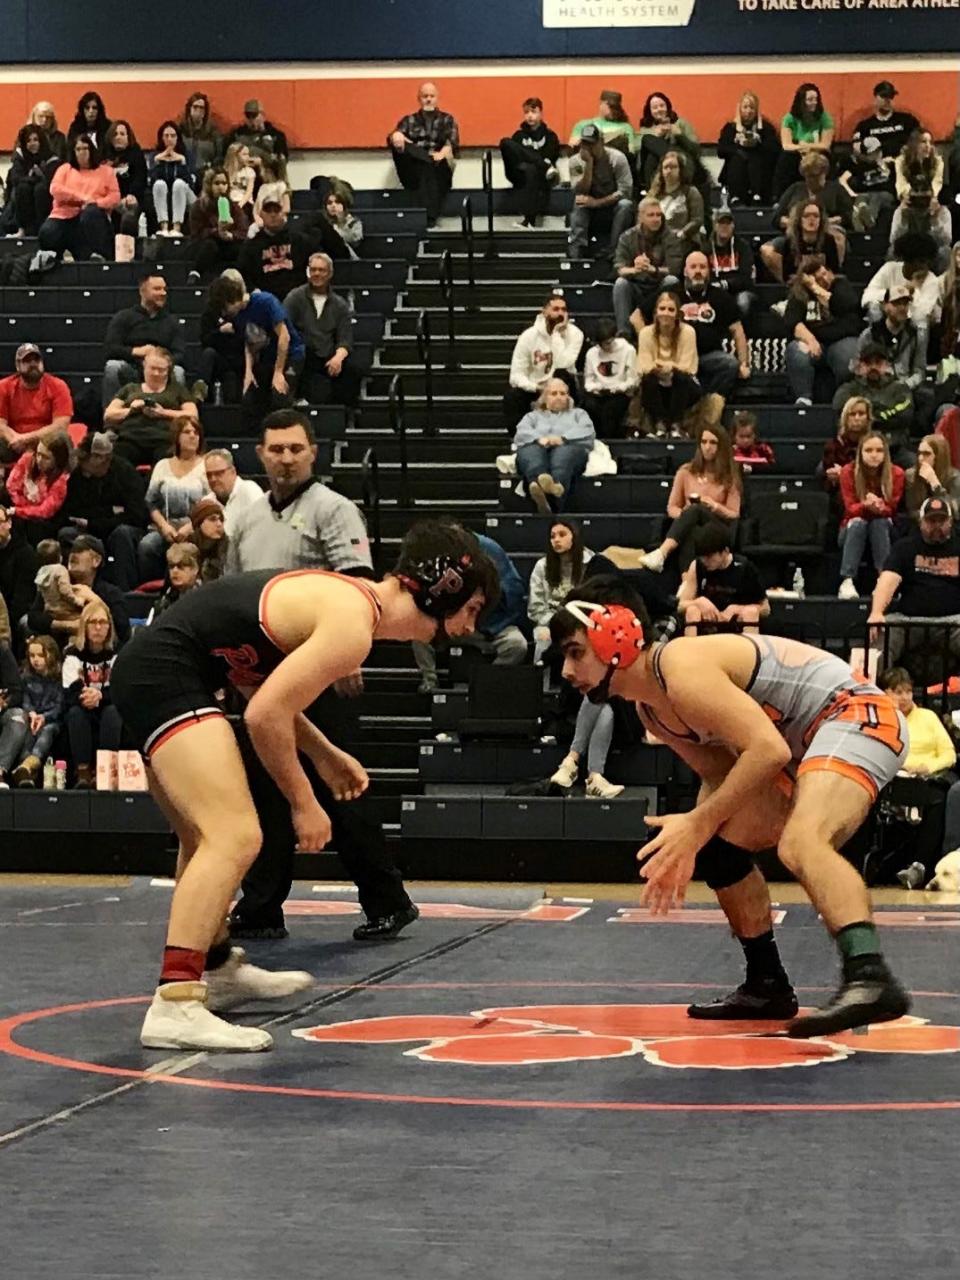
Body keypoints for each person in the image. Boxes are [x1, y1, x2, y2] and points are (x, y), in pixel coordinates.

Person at [109, 520, 497, 1051]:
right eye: (472, 609)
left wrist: (326, 754)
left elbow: (265, 691)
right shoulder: (352, 624)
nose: (469, 628)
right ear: (442, 590)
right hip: (167, 673)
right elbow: (265, 715)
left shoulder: (351, 603)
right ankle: (175, 1003)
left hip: (167, 670)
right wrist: (304, 802)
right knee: (235, 835)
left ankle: (211, 965)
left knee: (205, 839)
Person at [550, 578, 910, 1036]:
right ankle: (767, 983)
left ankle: (870, 975)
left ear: (616, 636)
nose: (565, 670)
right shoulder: (652, 710)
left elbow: (767, 752)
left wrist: (696, 823)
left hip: (852, 715)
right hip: (805, 742)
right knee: (719, 849)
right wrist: (691, 841)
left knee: (802, 842)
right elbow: (724, 776)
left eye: (575, 651)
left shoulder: (680, 666)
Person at [225, 410, 420, 940]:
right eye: (276, 449)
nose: (285, 458)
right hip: (263, 674)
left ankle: (386, 898)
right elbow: (232, 594)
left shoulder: (334, 510)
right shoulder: (244, 517)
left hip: (319, 669)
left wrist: (348, 658)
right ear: (260, 455)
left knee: (340, 786)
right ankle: (262, 906)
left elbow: (357, 585)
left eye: (295, 448)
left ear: (313, 452)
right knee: (264, 789)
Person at [878, 666, 956, 889]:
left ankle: (919, 867)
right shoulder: (883, 720)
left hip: (927, 778)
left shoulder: (928, 717)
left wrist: (928, 766)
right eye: (897, 692)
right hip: (894, 778)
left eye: (908, 692)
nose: (904, 698)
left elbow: (949, 753)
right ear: (885, 694)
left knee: (938, 798)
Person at [869, 495, 960, 666]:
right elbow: (888, 579)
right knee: (874, 648)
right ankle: (863, 689)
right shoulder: (905, 547)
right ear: (921, 522)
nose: (937, 526)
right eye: (931, 521)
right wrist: (876, 612)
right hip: (908, 620)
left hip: (954, 621)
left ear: (950, 522)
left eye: (942, 520)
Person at [640, 424, 742, 574]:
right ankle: (686, 581)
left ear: (722, 447)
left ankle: (662, 553)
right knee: (691, 528)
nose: (707, 447)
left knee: (696, 509)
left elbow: (734, 513)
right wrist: (686, 517)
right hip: (692, 526)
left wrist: (715, 506)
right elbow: (672, 508)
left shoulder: (729, 475)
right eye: (703, 442)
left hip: (718, 528)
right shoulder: (685, 472)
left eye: (713, 443)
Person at [207, 273, 305, 428]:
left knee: (279, 395)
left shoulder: (265, 301)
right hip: (266, 358)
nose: (225, 314)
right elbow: (249, 341)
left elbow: (284, 337)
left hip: (290, 355)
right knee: (249, 399)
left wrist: (279, 372)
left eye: (225, 308)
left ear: (232, 299)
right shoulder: (237, 316)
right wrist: (248, 372)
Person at [59, 431, 148, 593]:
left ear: (101, 460)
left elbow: (136, 515)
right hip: (92, 529)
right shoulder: (79, 475)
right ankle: (70, 589)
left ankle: (125, 592)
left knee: (122, 534)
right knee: (66, 534)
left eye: (88, 464)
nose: (84, 470)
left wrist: (95, 521)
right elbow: (72, 512)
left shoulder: (125, 473)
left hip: (121, 528)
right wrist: (110, 511)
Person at [283, 254, 361, 407]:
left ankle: (339, 416)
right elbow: (283, 328)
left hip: (328, 355)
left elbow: (345, 339)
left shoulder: (340, 305)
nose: (317, 274)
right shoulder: (295, 297)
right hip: (302, 355)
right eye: (313, 270)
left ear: (330, 274)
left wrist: (338, 358)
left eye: (321, 270)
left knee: (352, 374)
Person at [782, 255, 862, 406]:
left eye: (825, 274)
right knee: (797, 351)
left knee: (848, 357)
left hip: (841, 339)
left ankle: (846, 400)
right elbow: (793, 322)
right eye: (818, 278)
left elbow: (849, 307)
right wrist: (810, 340)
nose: (825, 279)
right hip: (815, 341)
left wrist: (817, 288)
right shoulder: (800, 294)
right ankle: (803, 399)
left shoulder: (840, 285)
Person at [103, 346, 199, 468]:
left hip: (164, 440)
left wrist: (162, 412)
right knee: (118, 460)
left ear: (168, 370)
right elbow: (109, 414)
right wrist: (131, 410)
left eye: (161, 370)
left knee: (165, 463)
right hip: (131, 439)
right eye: (152, 368)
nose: (156, 373)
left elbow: (193, 415)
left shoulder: (177, 390)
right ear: (144, 366)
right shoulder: (130, 389)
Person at [675, 251, 751, 407]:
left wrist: (744, 364)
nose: (698, 271)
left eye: (702, 267)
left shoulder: (720, 296)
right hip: (677, 355)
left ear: (708, 272)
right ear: (685, 271)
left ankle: (709, 404)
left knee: (731, 364)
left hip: (708, 357)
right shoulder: (672, 293)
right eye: (693, 267)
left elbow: (738, 331)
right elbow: (637, 316)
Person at [139, 417, 209, 583]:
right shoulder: (163, 465)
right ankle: (151, 587)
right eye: (187, 432)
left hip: (195, 527)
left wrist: (189, 528)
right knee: (147, 546)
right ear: (176, 437)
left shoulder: (206, 465)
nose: (193, 436)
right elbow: (151, 502)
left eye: (196, 432)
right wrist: (164, 526)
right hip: (165, 527)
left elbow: (211, 503)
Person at [62, 598, 122, 788]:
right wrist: (90, 697)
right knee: (75, 713)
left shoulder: (117, 655)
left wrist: (100, 697)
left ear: (109, 628)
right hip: (82, 709)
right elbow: (71, 692)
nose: (98, 627)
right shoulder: (72, 655)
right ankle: (83, 773)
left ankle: (105, 770)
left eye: (102, 622)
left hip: (106, 708)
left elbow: (120, 689)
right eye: (93, 622)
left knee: (113, 712)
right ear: (84, 626)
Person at [837, 432, 904, 600]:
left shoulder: (896, 473)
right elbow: (850, 509)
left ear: (885, 453)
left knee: (879, 522)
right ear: (860, 452)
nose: (874, 455)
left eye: (879, 450)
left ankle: (884, 580)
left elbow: (892, 508)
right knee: (859, 522)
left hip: (885, 529)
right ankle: (847, 581)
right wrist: (866, 505)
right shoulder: (847, 471)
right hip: (851, 529)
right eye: (869, 450)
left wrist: (879, 507)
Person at [513, 378, 595, 515]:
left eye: (563, 394)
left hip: (568, 447)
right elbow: (521, 433)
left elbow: (587, 431)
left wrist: (563, 438)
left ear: (569, 397)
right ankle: (540, 482)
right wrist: (539, 439)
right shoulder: (532, 416)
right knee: (530, 452)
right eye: (554, 393)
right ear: (545, 397)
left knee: (563, 455)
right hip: (538, 446)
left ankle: (551, 488)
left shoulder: (579, 414)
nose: (559, 397)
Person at [503, 292, 584, 430]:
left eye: (564, 310)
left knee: (562, 373)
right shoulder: (528, 336)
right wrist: (537, 387)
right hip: (536, 386)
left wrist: (557, 334)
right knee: (512, 396)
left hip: (563, 384)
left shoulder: (576, 334)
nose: (561, 314)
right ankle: (518, 438)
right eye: (556, 309)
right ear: (544, 312)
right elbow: (515, 376)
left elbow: (564, 363)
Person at [102, 274, 187, 404]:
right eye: (157, 289)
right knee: (112, 367)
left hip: (161, 369)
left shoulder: (172, 322)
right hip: (132, 367)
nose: (163, 293)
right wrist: (136, 351)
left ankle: (177, 419)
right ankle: (111, 417)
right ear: (142, 291)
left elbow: (180, 353)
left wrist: (160, 361)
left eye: (164, 289)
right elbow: (110, 348)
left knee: (178, 372)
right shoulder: (124, 317)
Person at [677, 519, 768, 636]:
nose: (705, 561)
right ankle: (691, 651)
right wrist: (699, 602)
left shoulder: (745, 568)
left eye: (709, 557)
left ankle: (749, 652)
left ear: (725, 551)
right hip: (708, 624)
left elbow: (765, 608)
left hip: (736, 624)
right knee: (692, 610)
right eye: (702, 557)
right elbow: (681, 605)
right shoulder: (697, 566)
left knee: (750, 612)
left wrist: (736, 609)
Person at [238, 196, 337, 303]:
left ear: (284, 213)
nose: (272, 214)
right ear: (261, 214)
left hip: (299, 301)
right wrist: (254, 292)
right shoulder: (251, 246)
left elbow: (318, 261)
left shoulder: (300, 240)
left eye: (276, 210)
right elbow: (243, 275)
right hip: (265, 303)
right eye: (268, 210)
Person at [37, 133, 119, 262]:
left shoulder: (106, 171)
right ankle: (53, 262)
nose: (82, 152)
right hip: (64, 216)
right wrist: (82, 198)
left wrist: (95, 202)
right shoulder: (65, 169)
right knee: (47, 232)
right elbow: (55, 189)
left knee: (90, 213)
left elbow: (114, 197)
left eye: (85, 148)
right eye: (78, 149)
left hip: (91, 217)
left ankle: (97, 256)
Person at [832, 343, 915, 469]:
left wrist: (869, 416)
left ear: (887, 365)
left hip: (894, 449)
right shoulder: (849, 388)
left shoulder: (900, 389)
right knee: (823, 469)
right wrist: (883, 413)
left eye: (878, 362)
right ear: (860, 366)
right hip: (857, 450)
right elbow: (839, 407)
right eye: (868, 363)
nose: (873, 367)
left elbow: (905, 415)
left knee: (915, 465)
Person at [387, 82, 459, 226]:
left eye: (431, 96)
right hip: (414, 167)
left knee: (429, 166)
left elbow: (452, 143)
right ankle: (430, 218)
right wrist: (396, 136)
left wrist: (442, 154)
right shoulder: (409, 120)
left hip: (439, 164)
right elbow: (398, 139)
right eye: (425, 96)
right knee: (397, 139)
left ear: (437, 98)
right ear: (419, 99)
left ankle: (427, 216)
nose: (428, 99)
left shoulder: (447, 119)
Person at [611, 198, 685, 333]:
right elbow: (619, 268)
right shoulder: (627, 237)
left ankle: (668, 329)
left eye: (658, 215)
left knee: (672, 281)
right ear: (641, 217)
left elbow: (675, 269)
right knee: (620, 284)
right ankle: (624, 333)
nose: (656, 219)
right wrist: (635, 269)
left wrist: (652, 269)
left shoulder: (671, 237)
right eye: (651, 215)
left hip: (658, 287)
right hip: (637, 286)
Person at [636, 290, 701, 439]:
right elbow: (644, 366)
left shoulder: (688, 332)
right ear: (656, 312)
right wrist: (658, 368)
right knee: (648, 380)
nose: (666, 313)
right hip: (657, 381)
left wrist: (669, 367)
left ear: (678, 314)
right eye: (662, 309)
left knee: (680, 378)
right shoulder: (645, 333)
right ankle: (660, 424)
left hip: (683, 383)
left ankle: (676, 425)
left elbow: (688, 367)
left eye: (671, 309)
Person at [528, 519, 593, 664]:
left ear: (574, 536)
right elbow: (535, 608)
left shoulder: (591, 563)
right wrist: (552, 624)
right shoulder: (541, 566)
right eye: (553, 536)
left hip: (582, 621)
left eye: (562, 534)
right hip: (550, 621)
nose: (556, 540)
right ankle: (539, 682)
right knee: (543, 637)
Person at [567, 124, 634, 262]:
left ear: (601, 142)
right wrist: (589, 164)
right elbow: (580, 191)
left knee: (625, 205)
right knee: (579, 202)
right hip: (591, 212)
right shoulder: (575, 161)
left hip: (612, 208)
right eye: (585, 144)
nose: (589, 148)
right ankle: (578, 251)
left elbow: (625, 191)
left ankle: (614, 251)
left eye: (592, 144)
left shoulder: (617, 158)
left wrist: (597, 203)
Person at [8, 634, 64, 789]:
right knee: (27, 735)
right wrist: (31, 714)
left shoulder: (58, 677)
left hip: (51, 720)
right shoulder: (26, 677)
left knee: (46, 732)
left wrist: (44, 717)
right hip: (32, 718)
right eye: (32, 655)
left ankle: (29, 764)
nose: (36, 659)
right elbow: (25, 700)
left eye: (40, 655)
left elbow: (59, 705)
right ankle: (25, 773)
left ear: (51, 655)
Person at [0, 344, 73, 460]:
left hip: (46, 442)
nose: (33, 364)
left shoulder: (58, 386)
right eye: (27, 361)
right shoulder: (3, 387)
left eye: (36, 360)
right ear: (17, 366)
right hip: (12, 443)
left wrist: (26, 439)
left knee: (61, 440)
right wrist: (14, 440)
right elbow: (1, 424)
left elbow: (60, 425)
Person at [499, 97, 560, 229]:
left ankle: (529, 221)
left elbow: (551, 158)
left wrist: (537, 164)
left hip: (539, 176)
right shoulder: (518, 136)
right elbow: (514, 160)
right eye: (526, 112)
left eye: (533, 111)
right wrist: (541, 162)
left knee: (530, 169)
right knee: (505, 142)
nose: (530, 116)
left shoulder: (550, 136)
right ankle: (541, 164)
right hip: (518, 173)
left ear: (541, 113)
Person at [891, 130, 951, 264]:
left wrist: (932, 199)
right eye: (924, 142)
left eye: (930, 142)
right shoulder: (901, 160)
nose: (928, 146)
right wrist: (907, 198)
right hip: (908, 204)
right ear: (914, 144)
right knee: (892, 250)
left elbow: (937, 182)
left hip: (932, 205)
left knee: (944, 251)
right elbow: (901, 182)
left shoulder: (937, 161)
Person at [862, 231, 942, 328]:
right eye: (921, 261)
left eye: (928, 262)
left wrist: (913, 291)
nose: (925, 266)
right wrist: (899, 291)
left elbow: (920, 314)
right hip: (885, 324)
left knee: (922, 323)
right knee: (874, 308)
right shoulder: (890, 269)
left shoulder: (931, 280)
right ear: (908, 260)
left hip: (911, 332)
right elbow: (867, 297)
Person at [859, 284, 928, 391]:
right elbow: (857, 367)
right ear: (885, 305)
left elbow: (919, 371)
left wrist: (905, 385)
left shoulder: (914, 335)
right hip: (875, 388)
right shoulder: (870, 335)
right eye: (896, 303)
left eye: (905, 304)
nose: (902, 308)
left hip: (904, 389)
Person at [5, 432, 72, 544]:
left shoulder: (61, 481)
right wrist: (22, 506)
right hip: (18, 507)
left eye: (46, 457)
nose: (39, 460)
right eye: (38, 454)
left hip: (39, 521)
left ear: (57, 460)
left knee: (35, 526)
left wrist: (19, 511)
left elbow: (45, 511)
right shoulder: (28, 458)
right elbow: (11, 485)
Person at [716, 91, 780, 205]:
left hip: (760, 168)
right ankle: (736, 197)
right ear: (739, 109)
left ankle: (757, 195)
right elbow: (720, 151)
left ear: (756, 110)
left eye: (752, 108)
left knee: (755, 158)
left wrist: (758, 141)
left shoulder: (766, 127)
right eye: (745, 107)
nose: (748, 111)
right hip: (736, 167)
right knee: (738, 158)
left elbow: (775, 150)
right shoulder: (730, 127)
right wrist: (737, 143)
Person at [186, 167, 248, 281]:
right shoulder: (199, 206)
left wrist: (231, 235)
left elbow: (243, 230)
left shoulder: (234, 207)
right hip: (206, 244)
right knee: (210, 245)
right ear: (209, 185)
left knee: (242, 248)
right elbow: (197, 233)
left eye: (224, 183)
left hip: (228, 244)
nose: (221, 187)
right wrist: (216, 232)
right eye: (217, 183)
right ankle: (195, 272)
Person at [773, 83, 835, 198]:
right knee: (786, 157)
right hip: (798, 152)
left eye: (816, 99)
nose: (814, 103)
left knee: (826, 158)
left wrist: (810, 147)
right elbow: (786, 145)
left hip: (818, 151)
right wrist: (802, 148)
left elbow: (826, 144)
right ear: (801, 101)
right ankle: (780, 198)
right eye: (810, 100)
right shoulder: (789, 118)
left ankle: (828, 196)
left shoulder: (824, 117)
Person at [760, 199, 842, 285]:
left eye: (816, 216)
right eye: (806, 216)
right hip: (798, 286)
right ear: (799, 220)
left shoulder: (829, 240)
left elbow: (834, 271)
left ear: (821, 220)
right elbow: (788, 276)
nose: (811, 219)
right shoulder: (790, 241)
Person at [773, 151, 853, 238]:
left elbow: (847, 217)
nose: (811, 180)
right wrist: (798, 223)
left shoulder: (836, 189)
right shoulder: (795, 188)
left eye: (815, 176)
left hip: (827, 232)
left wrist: (820, 223)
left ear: (824, 173)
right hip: (796, 232)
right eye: (808, 176)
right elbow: (777, 218)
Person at [582, 318, 638, 439]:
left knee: (610, 410)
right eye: (602, 344)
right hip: (599, 392)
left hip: (620, 392)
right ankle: (597, 439)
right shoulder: (592, 353)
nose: (606, 347)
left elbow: (633, 379)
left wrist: (620, 387)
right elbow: (588, 380)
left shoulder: (628, 350)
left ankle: (610, 441)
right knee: (589, 406)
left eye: (608, 342)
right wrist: (597, 388)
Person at [635, 91, 702, 192]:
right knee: (648, 143)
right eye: (655, 107)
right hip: (656, 170)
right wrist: (656, 136)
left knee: (652, 151)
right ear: (650, 111)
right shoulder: (646, 129)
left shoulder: (681, 123)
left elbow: (696, 151)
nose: (659, 110)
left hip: (683, 166)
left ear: (668, 106)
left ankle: (652, 190)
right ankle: (652, 189)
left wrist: (679, 135)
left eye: (662, 105)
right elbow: (637, 152)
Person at [197, 269, 246, 403]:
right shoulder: (210, 314)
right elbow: (205, 340)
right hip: (218, 358)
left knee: (231, 385)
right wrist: (220, 332)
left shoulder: (243, 314)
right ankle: (200, 389)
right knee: (208, 353)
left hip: (237, 359)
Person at [102, 120, 148, 258]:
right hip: (108, 200)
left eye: (122, 134)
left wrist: (131, 195)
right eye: (115, 134)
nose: (118, 137)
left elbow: (140, 178)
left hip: (129, 198)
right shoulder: (102, 156)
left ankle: (125, 257)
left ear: (129, 137)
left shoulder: (136, 154)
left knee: (128, 216)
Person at [647, 150, 704, 257]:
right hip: (658, 240)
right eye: (666, 167)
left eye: (673, 167)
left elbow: (697, 220)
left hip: (684, 240)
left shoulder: (691, 192)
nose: (669, 170)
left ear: (680, 170)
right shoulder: (654, 194)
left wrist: (682, 233)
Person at [4, 124, 57, 237]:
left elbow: (51, 180)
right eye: (28, 141)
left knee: (40, 189)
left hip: (44, 192)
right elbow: (16, 178)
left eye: (35, 140)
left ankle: (42, 229)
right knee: (23, 188)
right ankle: (22, 229)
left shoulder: (50, 157)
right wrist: (34, 178)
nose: (32, 143)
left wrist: (36, 177)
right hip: (25, 191)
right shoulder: (20, 157)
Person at [838, 136, 897, 236]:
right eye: (871, 153)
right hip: (865, 193)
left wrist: (885, 164)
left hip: (884, 194)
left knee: (876, 197)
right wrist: (852, 194)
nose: (875, 155)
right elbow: (841, 180)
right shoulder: (859, 166)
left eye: (877, 152)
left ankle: (870, 218)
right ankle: (859, 226)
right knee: (861, 199)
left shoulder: (890, 163)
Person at [705, 207, 757, 321]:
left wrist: (723, 284)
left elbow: (745, 278)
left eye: (728, 223)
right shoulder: (706, 248)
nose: (724, 226)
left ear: (733, 226)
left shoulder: (743, 247)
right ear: (714, 225)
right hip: (714, 292)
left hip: (739, 292)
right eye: (721, 223)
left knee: (743, 301)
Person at [0, 506, 38, 650]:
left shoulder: (25, 554)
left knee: (26, 622)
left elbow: (23, 600)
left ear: (9, 523)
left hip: (16, 613)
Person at [149, 121, 196, 238]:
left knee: (179, 184)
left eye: (173, 136)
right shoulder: (155, 155)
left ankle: (177, 227)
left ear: (178, 138)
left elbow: (192, 184)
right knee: (159, 184)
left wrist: (183, 163)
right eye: (166, 136)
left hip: (186, 195)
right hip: (165, 195)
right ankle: (164, 227)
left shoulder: (187, 155)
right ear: (161, 138)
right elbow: (152, 182)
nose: (169, 139)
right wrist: (157, 163)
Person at [852, 81, 920, 161]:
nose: (887, 100)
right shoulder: (865, 126)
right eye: (883, 96)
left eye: (891, 96)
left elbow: (921, 140)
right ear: (875, 98)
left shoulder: (907, 120)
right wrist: (874, 161)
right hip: (877, 166)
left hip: (903, 164)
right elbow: (856, 150)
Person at [203, 448, 262, 538]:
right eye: (209, 475)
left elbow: (263, 528)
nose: (213, 479)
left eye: (219, 473)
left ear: (233, 472)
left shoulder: (249, 490)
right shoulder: (207, 501)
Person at [820, 395, 872, 494]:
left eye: (861, 414)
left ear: (868, 418)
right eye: (852, 414)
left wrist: (845, 474)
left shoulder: (875, 443)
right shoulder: (833, 445)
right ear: (845, 418)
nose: (857, 418)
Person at [903, 434, 960, 520]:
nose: (921, 458)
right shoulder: (911, 475)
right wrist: (930, 518)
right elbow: (912, 510)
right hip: (920, 523)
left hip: (947, 524)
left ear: (940, 456)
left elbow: (954, 511)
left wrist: (935, 484)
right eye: (919, 453)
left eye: (926, 454)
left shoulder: (954, 477)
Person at [569, 89, 637, 158]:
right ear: (602, 104)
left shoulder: (625, 127)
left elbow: (630, 152)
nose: (614, 110)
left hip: (614, 162)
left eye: (616, 107)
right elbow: (572, 147)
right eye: (610, 106)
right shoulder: (585, 124)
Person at [33, 538, 82, 628]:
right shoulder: (60, 570)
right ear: (60, 557)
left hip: (49, 611)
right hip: (64, 611)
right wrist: (77, 601)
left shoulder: (41, 571)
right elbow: (65, 591)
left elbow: (40, 591)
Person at [148, 542, 201, 625]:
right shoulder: (164, 600)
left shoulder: (204, 597)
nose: (175, 571)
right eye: (171, 566)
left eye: (180, 566)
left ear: (195, 569)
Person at [224, 99, 289, 165]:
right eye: (248, 116)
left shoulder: (276, 135)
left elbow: (282, 161)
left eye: (254, 115)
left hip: (267, 171)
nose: (251, 119)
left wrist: (263, 160)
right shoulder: (237, 135)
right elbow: (227, 158)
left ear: (263, 115)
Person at [179, 92, 223, 175]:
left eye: (201, 108)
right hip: (184, 172)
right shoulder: (181, 129)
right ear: (189, 109)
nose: (198, 110)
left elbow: (219, 157)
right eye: (195, 107)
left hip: (206, 173)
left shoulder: (213, 132)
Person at [188, 496, 227, 582]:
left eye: (221, 520)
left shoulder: (229, 549)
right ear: (199, 524)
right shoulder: (186, 549)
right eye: (212, 519)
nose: (219, 524)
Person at [316, 188, 364, 256]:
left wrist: (339, 226)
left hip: (347, 256)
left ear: (343, 206)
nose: (333, 206)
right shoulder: (321, 223)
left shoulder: (354, 222)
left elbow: (354, 240)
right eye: (329, 203)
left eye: (337, 202)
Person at [223, 142, 257, 215]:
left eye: (248, 154)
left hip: (245, 203)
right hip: (230, 203)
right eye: (244, 154)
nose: (248, 157)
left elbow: (249, 192)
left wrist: (240, 205)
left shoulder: (249, 172)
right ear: (235, 155)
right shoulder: (225, 171)